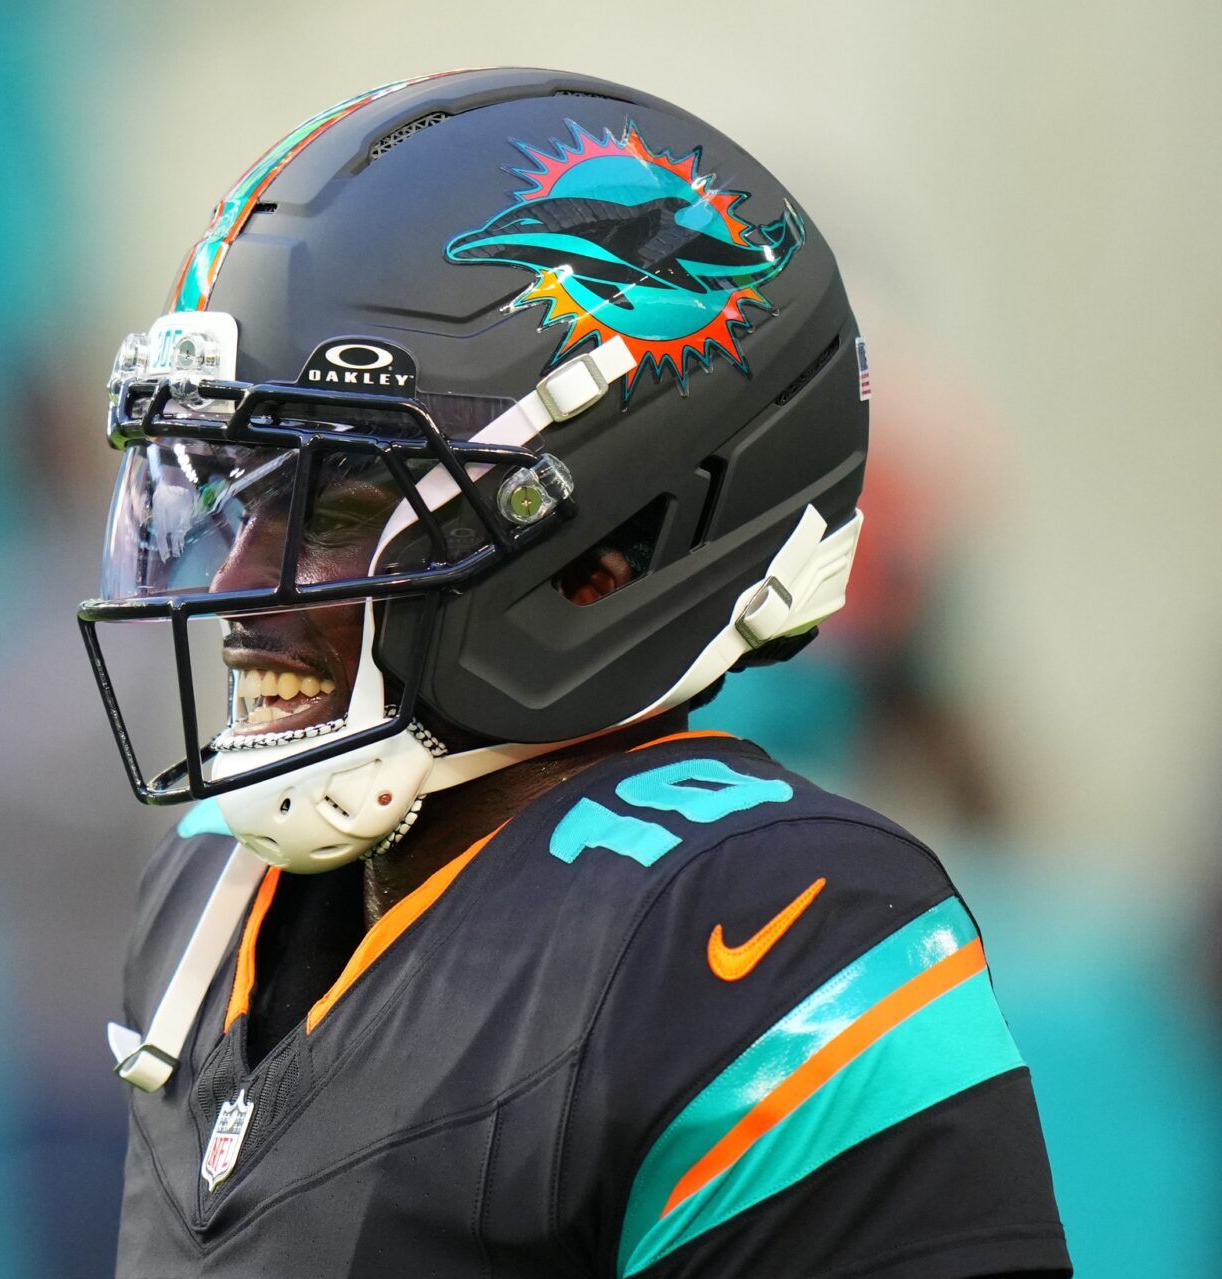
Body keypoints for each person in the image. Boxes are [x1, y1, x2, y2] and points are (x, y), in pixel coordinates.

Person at [78, 68, 1070, 1278]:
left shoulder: (765, 929)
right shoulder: (209, 900)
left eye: (333, 505)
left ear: (604, 548)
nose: (234, 587)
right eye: (231, 495)